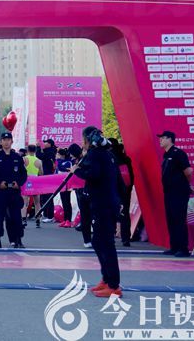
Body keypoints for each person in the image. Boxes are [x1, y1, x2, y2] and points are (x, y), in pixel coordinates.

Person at [71, 126, 122, 297]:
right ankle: (107, 279)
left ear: (88, 139)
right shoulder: (108, 154)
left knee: (105, 243)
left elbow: (93, 174)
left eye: (83, 139)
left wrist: (77, 170)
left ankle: (113, 285)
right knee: (98, 241)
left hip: (103, 204)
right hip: (107, 202)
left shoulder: (95, 154)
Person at [159, 130, 194, 257]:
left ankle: (183, 248)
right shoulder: (166, 154)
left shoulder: (178, 153)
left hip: (179, 192)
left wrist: (186, 184)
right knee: (171, 219)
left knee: (179, 219)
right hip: (169, 192)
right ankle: (174, 247)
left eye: (163, 138)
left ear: (170, 139)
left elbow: (188, 171)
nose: (160, 140)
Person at [0, 131, 26, 249]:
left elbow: (23, 174)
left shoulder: (17, 157)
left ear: (12, 141)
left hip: (14, 192)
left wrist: (18, 183)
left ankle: (17, 239)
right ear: (1, 141)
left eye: (8, 140)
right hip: (1, 192)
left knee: (16, 216)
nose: (6, 142)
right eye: (4, 140)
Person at [111, 139, 135, 246]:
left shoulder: (110, 158)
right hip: (125, 190)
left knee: (111, 213)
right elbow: (131, 176)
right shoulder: (126, 159)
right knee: (124, 213)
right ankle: (126, 238)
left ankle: (110, 236)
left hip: (113, 190)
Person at [38, 139, 58, 222]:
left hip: (48, 176)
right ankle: (46, 214)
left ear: (50, 144)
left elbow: (40, 156)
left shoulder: (50, 152)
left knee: (48, 196)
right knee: (45, 196)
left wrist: (38, 147)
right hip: (46, 176)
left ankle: (50, 216)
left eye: (46, 142)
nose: (44, 143)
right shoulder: (48, 151)